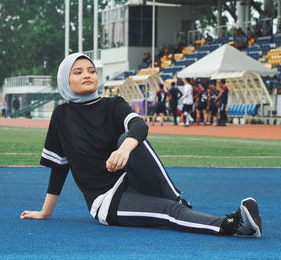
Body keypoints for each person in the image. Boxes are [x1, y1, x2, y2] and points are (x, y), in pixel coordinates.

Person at [20, 53, 262, 238]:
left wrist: (125, 148)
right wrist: (45, 212)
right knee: (168, 212)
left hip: (134, 180)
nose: (87, 74)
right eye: (78, 72)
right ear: (65, 79)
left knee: (130, 139)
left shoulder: (112, 104)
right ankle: (233, 225)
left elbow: (139, 126)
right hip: (107, 200)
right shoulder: (61, 116)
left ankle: (176, 199)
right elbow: (59, 167)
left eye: (91, 70)